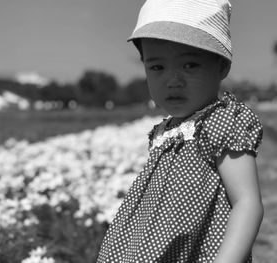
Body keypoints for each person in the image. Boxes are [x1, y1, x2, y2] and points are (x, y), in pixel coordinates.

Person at [96, 0, 264, 262]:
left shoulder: (220, 122)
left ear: (222, 66)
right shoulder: (166, 131)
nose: (173, 81)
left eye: (190, 65)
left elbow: (247, 204)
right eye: (157, 67)